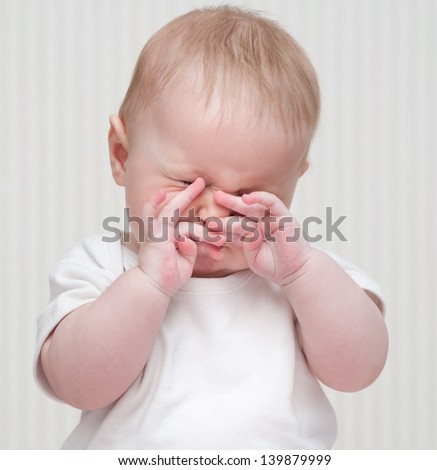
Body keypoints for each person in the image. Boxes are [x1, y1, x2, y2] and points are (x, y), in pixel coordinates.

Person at [34, 5, 388, 449]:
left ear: (294, 180)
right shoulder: (102, 267)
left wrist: (303, 275)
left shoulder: (303, 275)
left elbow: (358, 371)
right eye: (187, 183)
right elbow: (76, 384)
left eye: (249, 195)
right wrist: (148, 285)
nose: (216, 216)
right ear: (122, 156)